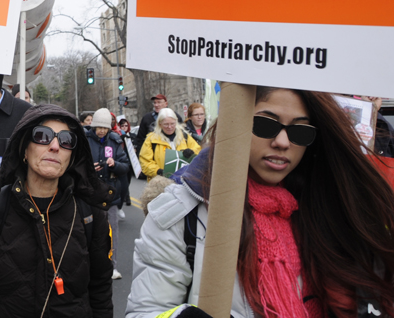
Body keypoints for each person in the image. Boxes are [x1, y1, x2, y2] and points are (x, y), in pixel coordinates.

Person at [127, 87, 394, 318]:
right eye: (266, 125)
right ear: (235, 121)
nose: (282, 142)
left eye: (300, 131)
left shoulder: (336, 207)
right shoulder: (179, 215)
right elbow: (146, 310)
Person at [0, 104, 113, 318]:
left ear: (72, 156)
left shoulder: (90, 213)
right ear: (24, 148)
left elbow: (100, 289)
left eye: (66, 140)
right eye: (42, 136)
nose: (54, 146)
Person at [84, 108, 130, 280]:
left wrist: (114, 164)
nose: (102, 131)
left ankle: (112, 267)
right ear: (93, 126)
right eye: (99, 127)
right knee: (88, 232)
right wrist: (90, 168)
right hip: (89, 193)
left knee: (112, 232)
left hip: (110, 193)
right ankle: (89, 266)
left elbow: (126, 167)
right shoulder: (85, 140)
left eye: (105, 128)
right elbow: (76, 164)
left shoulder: (115, 141)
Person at [139, 108, 201, 180]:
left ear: (176, 122)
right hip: (161, 182)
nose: (169, 127)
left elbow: (198, 150)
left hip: (183, 181)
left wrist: (191, 152)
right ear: (160, 124)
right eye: (166, 124)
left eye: (172, 124)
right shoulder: (151, 140)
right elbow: (145, 162)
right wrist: (158, 171)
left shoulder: (184, 136)